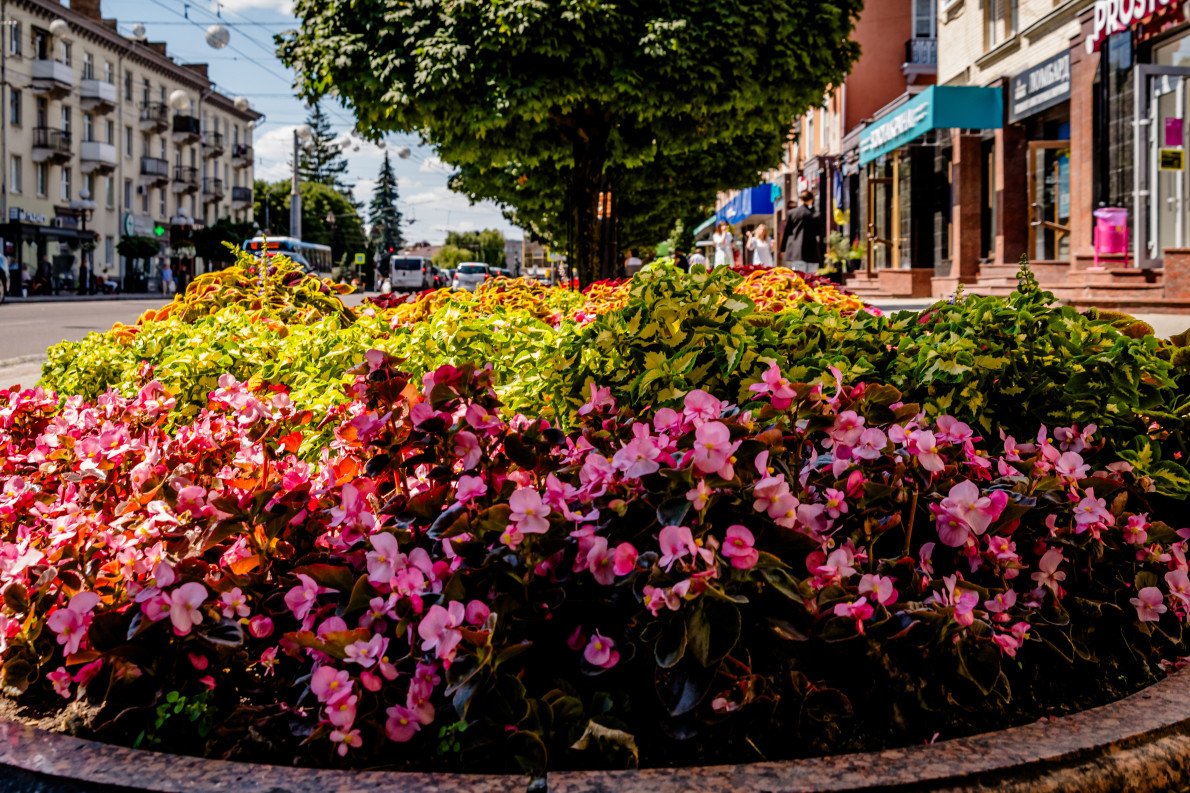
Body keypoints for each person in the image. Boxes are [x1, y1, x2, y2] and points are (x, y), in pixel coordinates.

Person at [781, 191, 824, 273]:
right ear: (811, 199)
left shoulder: (792, 213)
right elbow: (819, 232)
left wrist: (783, 249)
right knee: (811, 279)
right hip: (812, 252)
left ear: (801, 199)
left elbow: (787, 232)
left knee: (798, 280)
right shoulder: (815, 214)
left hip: (796, 252)